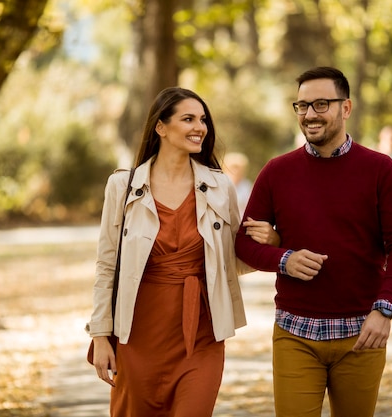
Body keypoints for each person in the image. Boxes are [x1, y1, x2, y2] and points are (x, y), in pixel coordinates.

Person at [235, 67, 392, 417]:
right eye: (302, 106)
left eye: (321, 104)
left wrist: (385, 309)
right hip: (294, 331)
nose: (309, 114)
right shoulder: (276, 171)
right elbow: (244, 243)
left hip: (361, 332)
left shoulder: (380, 170)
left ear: (345, 108)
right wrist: (283, 258)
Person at [86, 87, 279, 416]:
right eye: (187, 119)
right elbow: (107, 266)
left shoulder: (219, 187)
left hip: (201, 334)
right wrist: (101, 335)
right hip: (136, 334)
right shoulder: (122, 187)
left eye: (202, 119)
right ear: (160, 127)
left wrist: (272, 243)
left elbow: (234, 260)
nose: (199, 127)